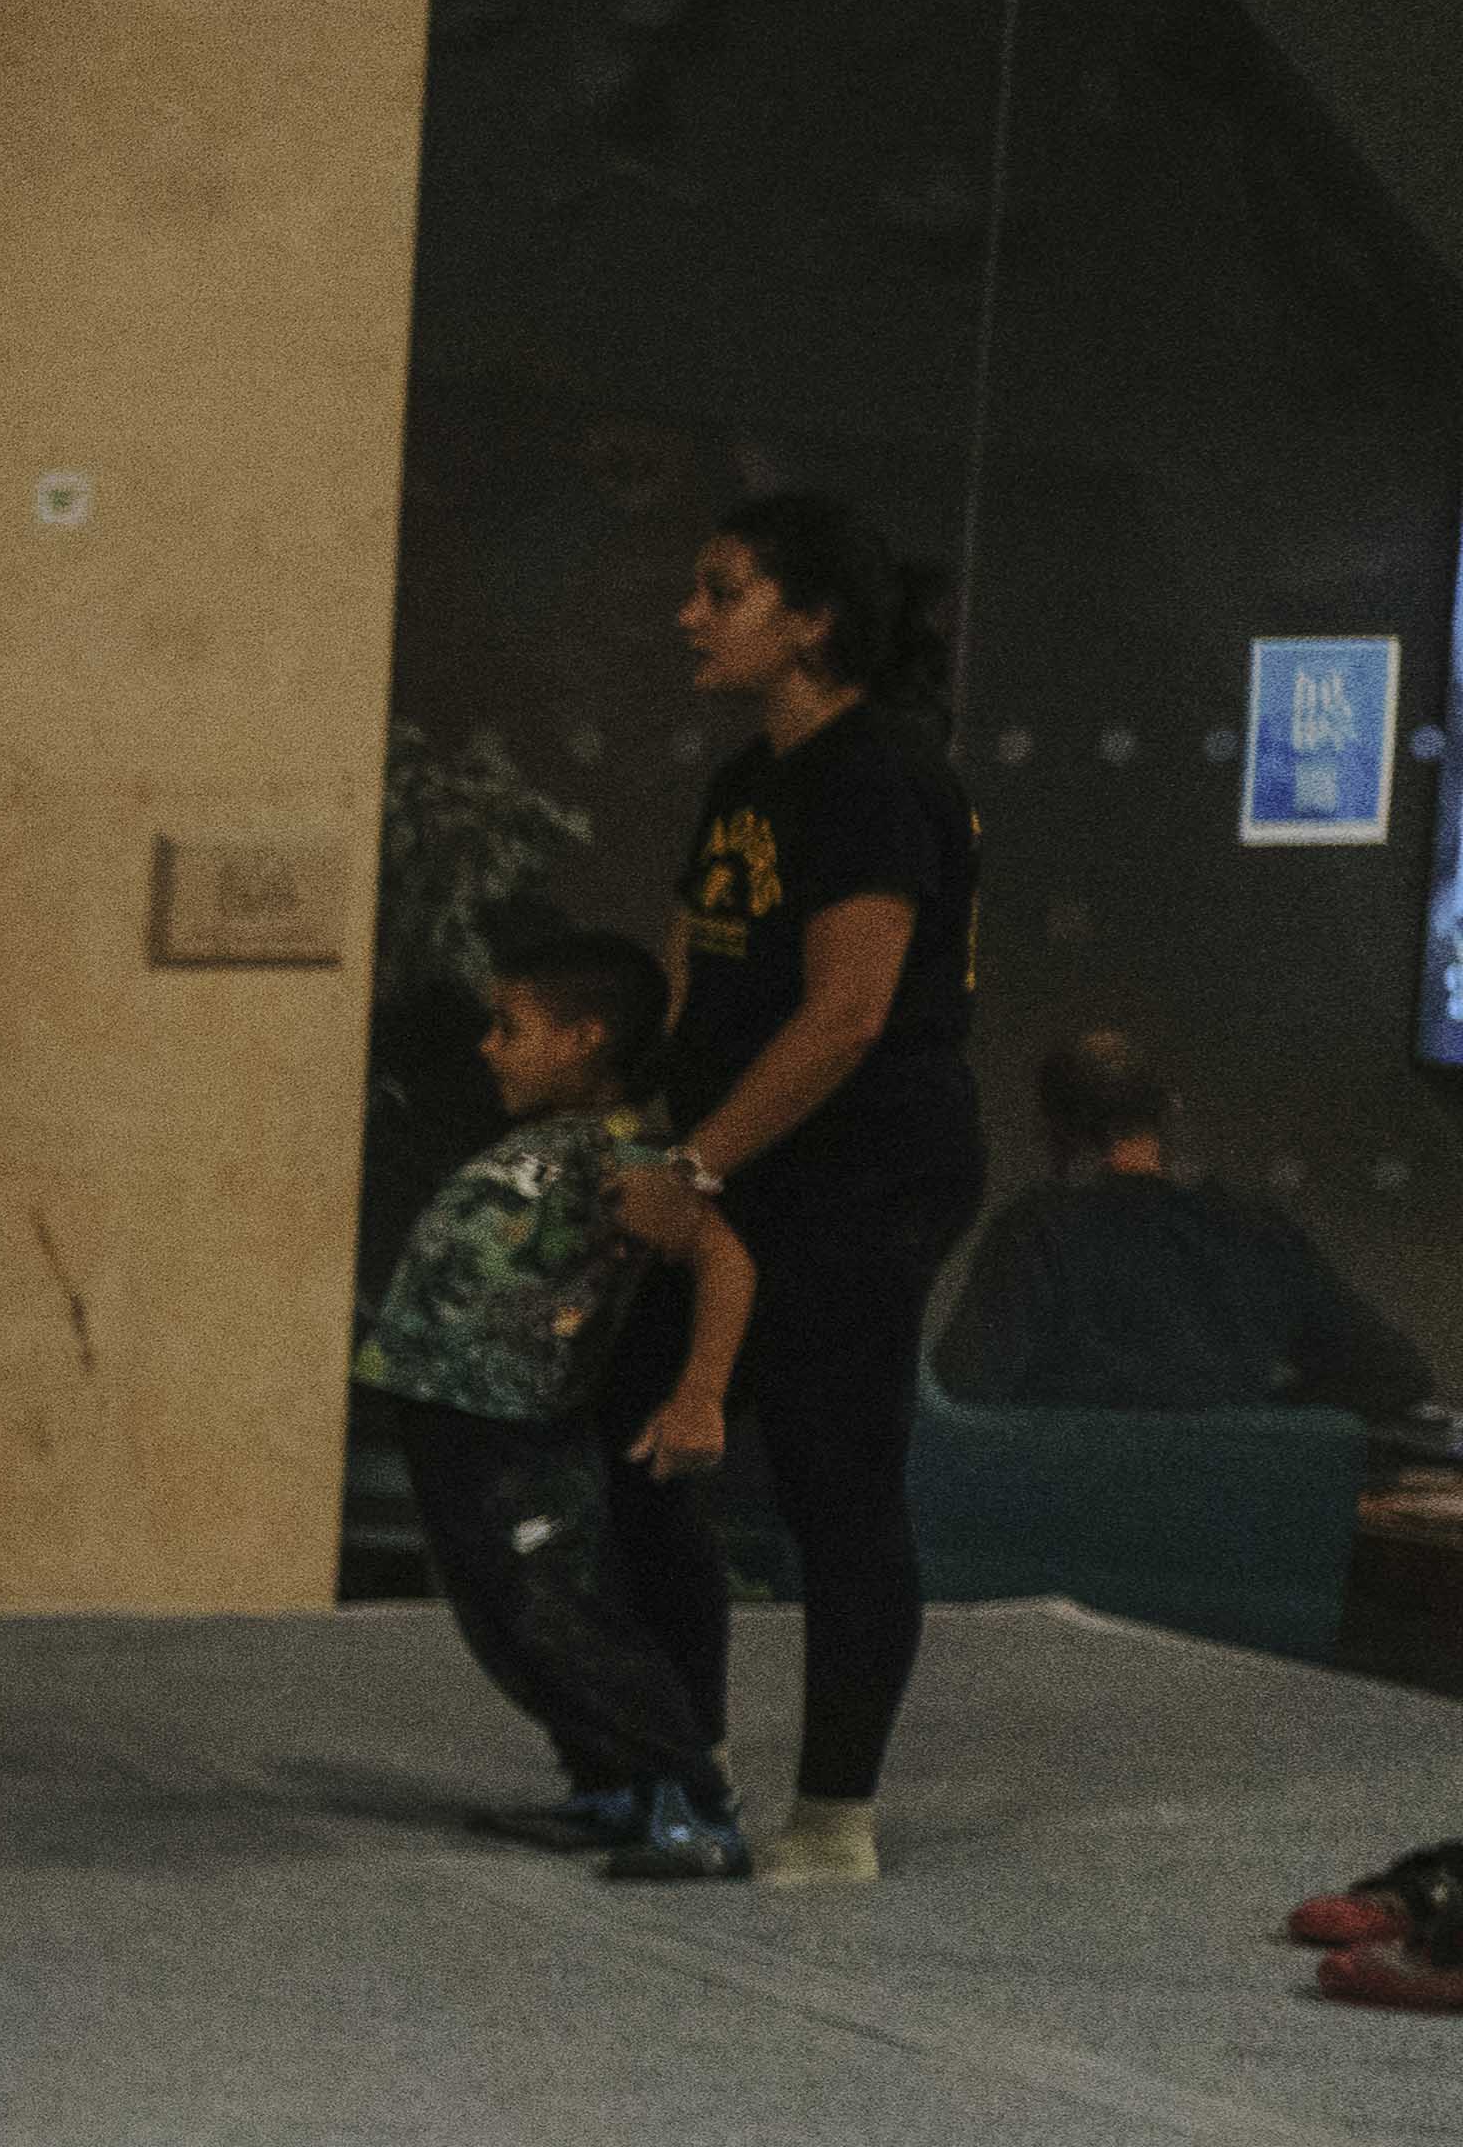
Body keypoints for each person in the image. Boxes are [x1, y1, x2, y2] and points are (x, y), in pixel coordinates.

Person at [597, 492, 981, 1887]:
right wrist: (651, 1133)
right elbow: (701, 969)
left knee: (837, 1479)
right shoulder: (747, 780)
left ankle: (834, 1819)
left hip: (862, 1169)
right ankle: (674, 1770)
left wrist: (700, 1163)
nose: (691, 615)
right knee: (640, 1437)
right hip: (744, 1160)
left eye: (723, 590)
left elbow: (848, 1016)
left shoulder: (878, 778)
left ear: (811, 620)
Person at [360, 932, 756, 1871]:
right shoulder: (546, 1143)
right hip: (451, 1417)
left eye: (512, 1027)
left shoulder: (632, 1152)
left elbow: (726, 1261)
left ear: (586, 1038)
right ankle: (611, 1786)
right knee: (499, 1616)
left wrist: (701, 1396)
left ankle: (695, 1812)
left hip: (520, 1432)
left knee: (561, 1614)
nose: (488, 1046)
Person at [943, 1027, 1431, 1421]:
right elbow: (1394, 1375)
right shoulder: (1257, 1231)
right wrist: (1260, 1416)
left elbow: (964, 1390)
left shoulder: (1037, 1232)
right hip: (1233, 1527)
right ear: (1166, 1114)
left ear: (1053, 1130)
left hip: (1073, 1520)